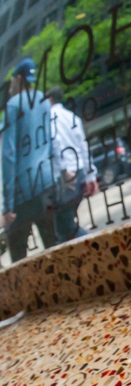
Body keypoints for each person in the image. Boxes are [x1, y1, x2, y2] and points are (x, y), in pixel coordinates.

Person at [1, 58, 59, 263]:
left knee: (18, 258)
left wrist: (7, 207)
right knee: (55, 248)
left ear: (18, 78)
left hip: (22, 192)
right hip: (46, 183)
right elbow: (51, 141)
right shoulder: (43, 100)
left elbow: (8, 156)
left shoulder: (13, 106)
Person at [47, 86, 97, 243]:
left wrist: (64, 172)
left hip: (66, 176)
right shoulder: (71, 117)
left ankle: (95, 244)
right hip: (79, 172)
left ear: (49, 99)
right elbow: (83, 146)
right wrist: (91, 175)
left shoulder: (48, 120)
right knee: (64, 228)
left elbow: (55, 146)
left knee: (65, 227)